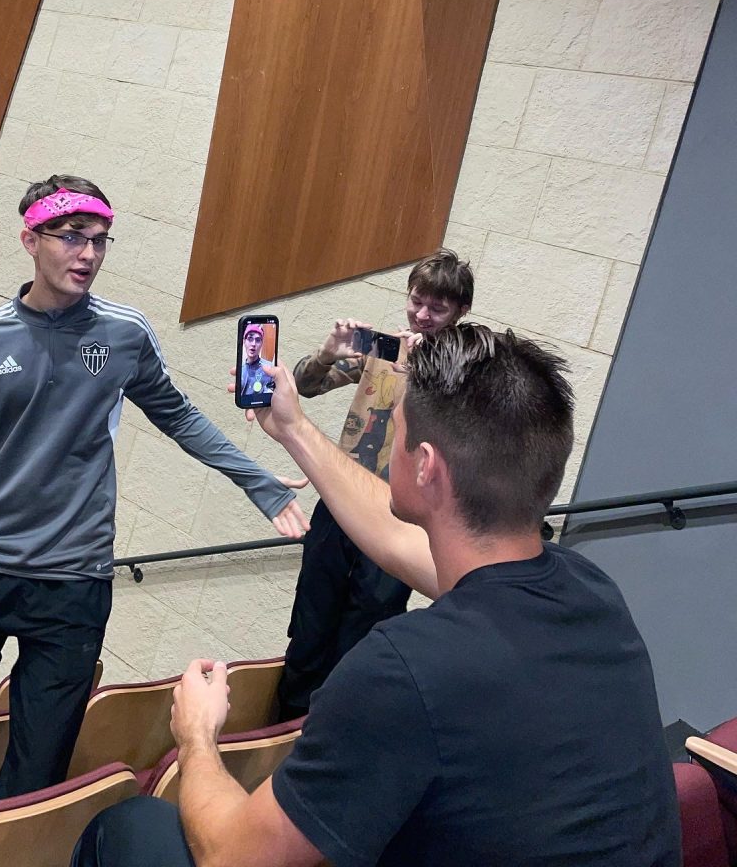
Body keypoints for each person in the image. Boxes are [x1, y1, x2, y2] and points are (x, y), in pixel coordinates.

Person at [71, 324, 680, 867]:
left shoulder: (403, 671)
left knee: (131, 828)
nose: (389, 442)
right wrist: (293, 427)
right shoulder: (591, 590)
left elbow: (235, 856)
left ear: (425, 468)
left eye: (399, 430)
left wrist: (197, 738)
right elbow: (394, 537)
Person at [0, 174, 308, 813]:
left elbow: (179, 415)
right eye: (70, 237)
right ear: (31, 239)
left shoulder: (124, 334)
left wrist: (255, 479)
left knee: (37, 773)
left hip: (75, 584)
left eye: (100, 241)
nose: (87, 254)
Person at [276, 249, 472, 719]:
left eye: (436, 309)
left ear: (460, 312)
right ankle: (281, 733)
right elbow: (306, 384)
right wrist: (327, 353)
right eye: (416, 301)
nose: (421, 316)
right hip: (341, 502)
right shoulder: (385, 347)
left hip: (403, 518)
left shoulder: (464, 371)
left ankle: (335, 730)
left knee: (365, 630)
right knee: (310, 621)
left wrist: (429, 372)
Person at [239, 323, 275, 404]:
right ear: (244, 341)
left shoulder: (269, 368)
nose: (253, 344)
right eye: (250, 339)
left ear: (262, 344)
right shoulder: (240, 369)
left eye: (258, 340)